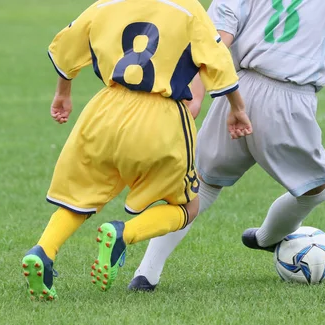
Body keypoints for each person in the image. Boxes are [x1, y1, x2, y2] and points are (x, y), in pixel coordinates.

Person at [127, 0, 325, 292]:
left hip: (236, 90)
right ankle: (266, 238)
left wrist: (196, 95)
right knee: (315, 189)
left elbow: (217, 40)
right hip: (288, 98)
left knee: (201, 186)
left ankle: (146, 274)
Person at [21, 0, 252, 301]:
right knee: (187, 207)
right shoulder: (187, 8)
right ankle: (123, 234)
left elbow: (65, 46)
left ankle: (44, 250)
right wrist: (237, 108)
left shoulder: (106, 4)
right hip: (160, 116)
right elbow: (218, 62)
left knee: (80, 197)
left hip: (103, 113)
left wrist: (62, 93)